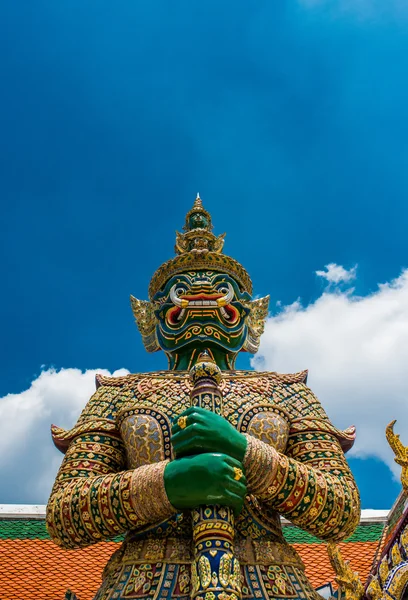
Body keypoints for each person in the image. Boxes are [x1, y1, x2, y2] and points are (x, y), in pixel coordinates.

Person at [47, 196, 360, 600]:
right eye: (181, 291)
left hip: (271, 584)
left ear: (251, 317)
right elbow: (65, 513)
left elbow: (341, 509)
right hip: (143, 583)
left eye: (221, 290)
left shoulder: (288, 393)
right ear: (151, 320)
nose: (201, 295)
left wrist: (244, 450)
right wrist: (168, 484)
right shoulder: (118, 395)